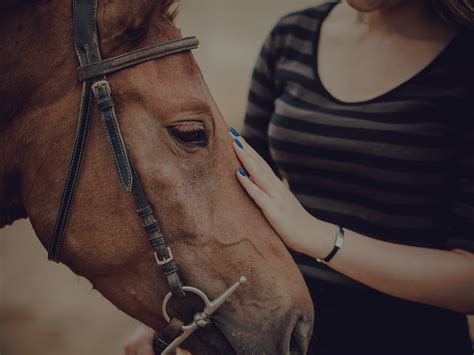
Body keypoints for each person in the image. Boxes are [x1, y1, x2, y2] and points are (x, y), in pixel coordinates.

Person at [125, 1, 474, 354]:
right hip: (285, 334)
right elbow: (235, 189)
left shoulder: (465, 60)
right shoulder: (292, 36)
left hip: (413, 340)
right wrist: (172, 315)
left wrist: (322, 238)